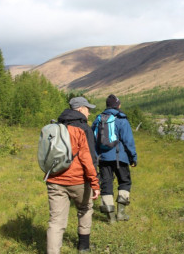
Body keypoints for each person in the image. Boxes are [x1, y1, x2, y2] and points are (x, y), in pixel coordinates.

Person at [46, 97, 100, 253]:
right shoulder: (84, 129)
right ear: (80, 109)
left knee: (56, 221)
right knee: (85, 209)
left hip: (54, 180)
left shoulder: (56, 127)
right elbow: (88, 158)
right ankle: (83, 247)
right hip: (79, 181)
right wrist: (95, 182)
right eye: (88, 109)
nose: (89, 112)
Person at [92, 94, 137, 223]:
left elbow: (93, 141)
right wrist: (133, 157)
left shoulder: (98, 119)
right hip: (120, 158)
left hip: (103, 159)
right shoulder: (122, 119)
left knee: (106, 185)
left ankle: (110, 218)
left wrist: (95, 158)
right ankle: (121, 214)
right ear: (118, 105)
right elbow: (128, 141)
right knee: (125, 182)